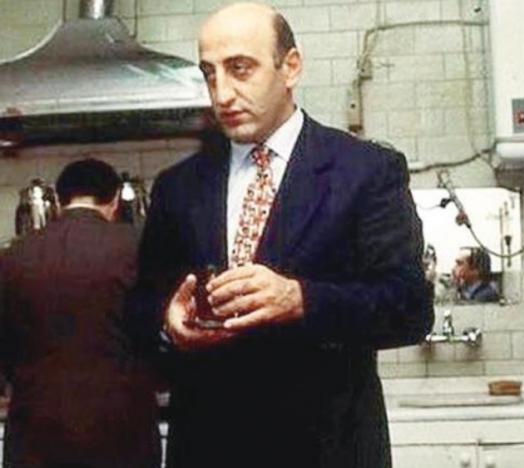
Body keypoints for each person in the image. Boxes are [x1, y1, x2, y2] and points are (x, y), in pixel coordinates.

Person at [131, 2, 433, 467]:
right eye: (210, 74)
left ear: (290, 67)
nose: (222, 94)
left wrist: (301, 299)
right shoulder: (179, 186)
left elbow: (409, 307)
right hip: (209, 448)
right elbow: (140, 306)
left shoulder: (365, 171)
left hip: (328, 449)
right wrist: (168, 323)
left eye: (240, 69)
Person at [0, 158, 161, 468]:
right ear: (115, 200)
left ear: (60, 201)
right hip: (122, 425)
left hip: (35, 428)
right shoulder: (139, 248)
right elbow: (160, 331)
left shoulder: (14, 255)